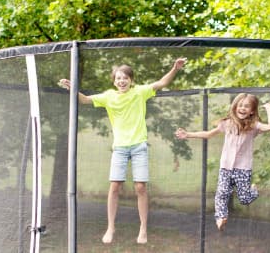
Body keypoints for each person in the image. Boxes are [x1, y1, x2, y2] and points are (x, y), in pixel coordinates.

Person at [59, 57, 186, 244]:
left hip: (139, 146)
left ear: (131, 80)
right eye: (118, 78)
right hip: (120, 148)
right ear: (114, 81)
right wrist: (72, 88)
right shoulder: (108, 96)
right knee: (115, 186)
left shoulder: (140, 92)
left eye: (125, 77)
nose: (122, 81)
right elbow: (85, 100)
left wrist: (175, 68)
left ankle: (143, 228)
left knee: (140, 187)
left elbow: (162, 82)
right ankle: (111, 226)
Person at [175, 93, 270, 231]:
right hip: (226, 168)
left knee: (245, 199)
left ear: (252, 110)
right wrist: (188, 134)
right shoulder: (227, 123)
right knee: (221, 194)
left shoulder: (254, 126)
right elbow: (209, 134)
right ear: (235, 107)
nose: (242, 108)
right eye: (240, 105)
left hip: (243, 168)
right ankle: (221, 217)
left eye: (246, 106)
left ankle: (254, 190)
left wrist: (268, 108)